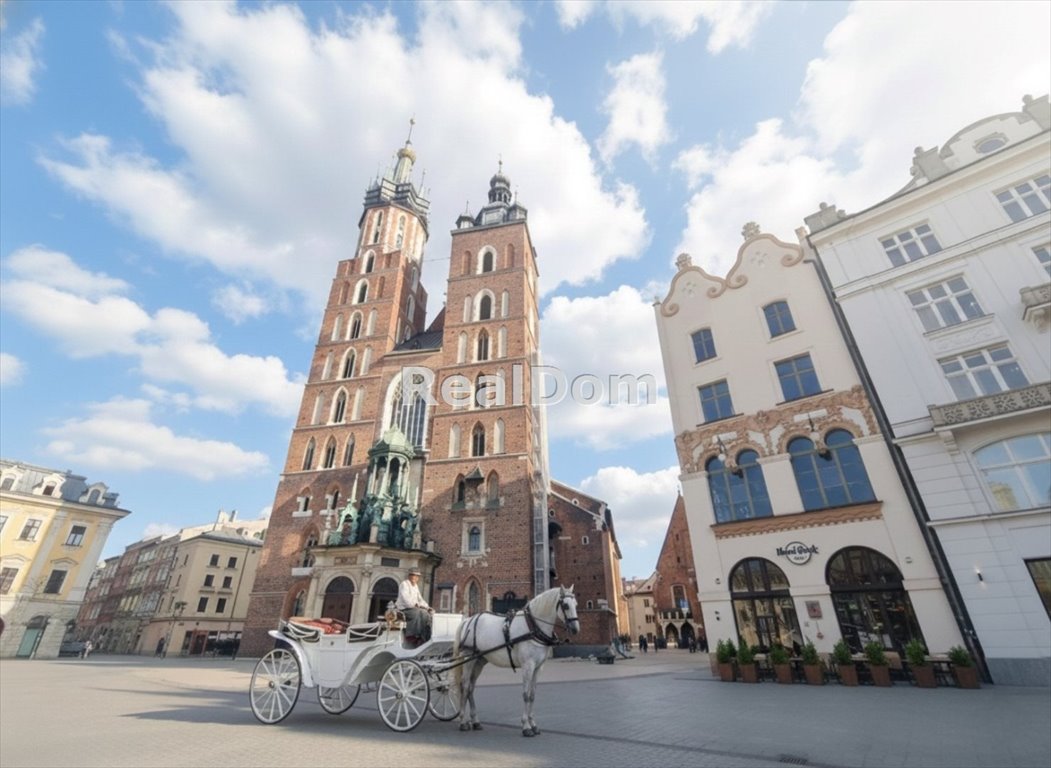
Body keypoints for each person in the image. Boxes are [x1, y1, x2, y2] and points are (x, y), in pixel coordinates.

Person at [396, 568, 433, 645]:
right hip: (404, 609)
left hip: (413, 608)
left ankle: (423, 636)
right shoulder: (404, 584)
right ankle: (411, 635)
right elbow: (405, 598)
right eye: (414, 575)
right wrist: (414, 604)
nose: (415, 578)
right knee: (417, 612)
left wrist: (427, 607)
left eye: (417, 576)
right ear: (409, 576)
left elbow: (420, 599)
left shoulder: (415, 586)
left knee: (426, 614)